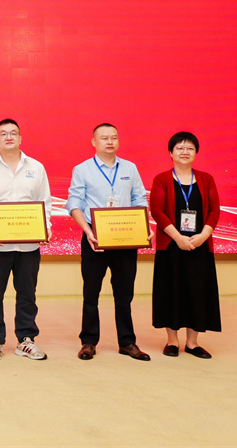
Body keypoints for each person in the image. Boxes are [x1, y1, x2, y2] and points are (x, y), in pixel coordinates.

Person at [66, 123, 152, 361]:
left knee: (124, 294)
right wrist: (87, 231)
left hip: (126, 237)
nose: (110, 142)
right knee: (91, 293)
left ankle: (127, 342)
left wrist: (144, 228)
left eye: (114, 137)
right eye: (104, 138)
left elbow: (139, 199)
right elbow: (75, 203)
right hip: (95, 237)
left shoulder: (130, 168)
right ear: (94, 142)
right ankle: (88, 342)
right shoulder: (82, 169)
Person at [0, 119, 52, 361]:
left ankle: (26, 340)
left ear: (20, 138)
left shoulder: (36, 167)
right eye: (3, 133)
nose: (9, 137)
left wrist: (45, 228)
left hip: (28, 245)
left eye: (13, 133)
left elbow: (45, 203)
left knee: (27, 294)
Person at [150, 132, 221, 359]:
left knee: (198, 292)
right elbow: (157, 211)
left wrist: (204, 235)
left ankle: (192, 343)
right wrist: (178, 237)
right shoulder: (162, 179)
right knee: (170, 291)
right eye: (179, 148)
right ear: (170, 153)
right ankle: (172, 341)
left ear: (196, 153)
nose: (184, 152)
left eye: (190, 148)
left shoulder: (206, 179)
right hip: (171, 246)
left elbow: (214, 210)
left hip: (199, 246)